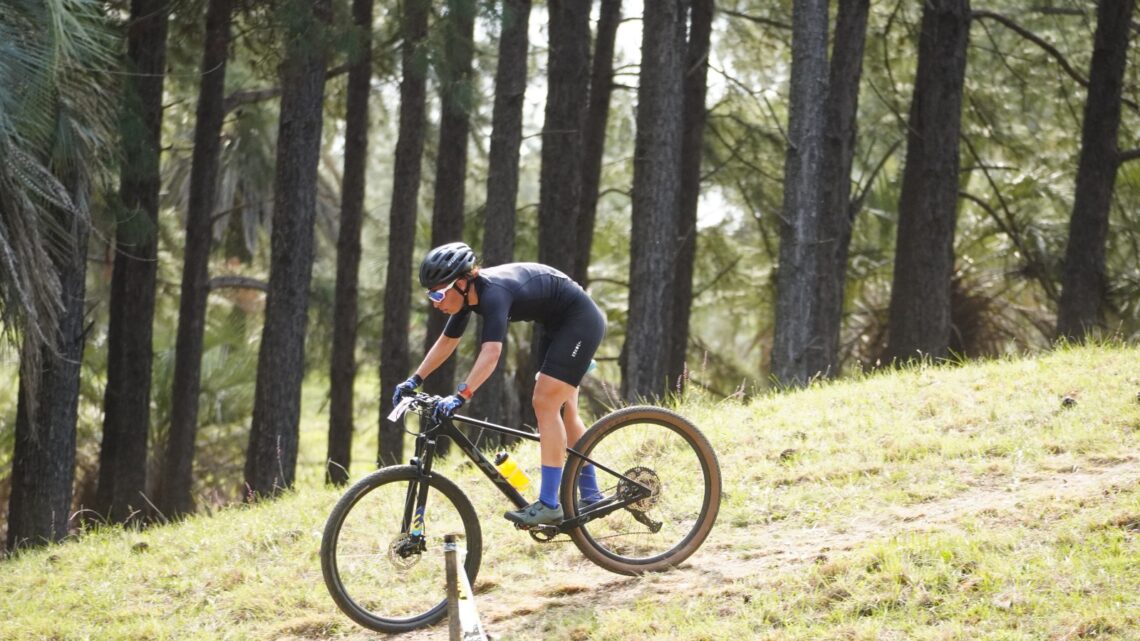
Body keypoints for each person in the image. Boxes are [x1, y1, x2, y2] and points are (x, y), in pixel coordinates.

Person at [392, 242, 606, 526]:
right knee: (564, 410)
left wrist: (461, 395)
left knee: (545, 402)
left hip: (579, 322)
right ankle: (592, 496)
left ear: (462, 283)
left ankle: (550, 504)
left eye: (438, 293)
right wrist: (414, 379)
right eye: (430, 294)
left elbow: (491, 353)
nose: (435, 302)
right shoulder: (468, 295)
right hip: (557, 326)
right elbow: (447, 342)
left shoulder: (493, 293)